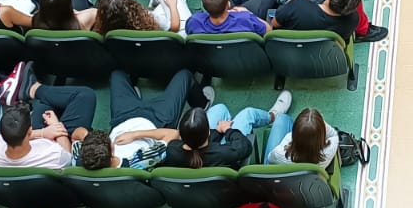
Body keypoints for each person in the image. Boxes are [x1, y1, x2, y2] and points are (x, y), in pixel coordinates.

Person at [76, 70, 204, 171]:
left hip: (122, 117)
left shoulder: (84, 158)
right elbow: (173, 134)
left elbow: (77, 133)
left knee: (117, 75)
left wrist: (89, 139)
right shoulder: (138, 162)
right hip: (156, 120)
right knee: (184, 75)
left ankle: (132, 94)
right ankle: (203, 103)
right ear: (112, 151)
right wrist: (135, 134)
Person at [159, 93, 291, 170]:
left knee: (220, 109)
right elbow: (244, 146)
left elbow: (199, 147)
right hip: (226, 149)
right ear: (208, 133)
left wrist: (217, 131)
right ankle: (272, 116)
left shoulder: (172, 150)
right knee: (248, 113)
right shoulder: (223, 153)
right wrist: (227, 130)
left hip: (208, 149)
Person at [0, 103, 73, 169]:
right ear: (30, 130)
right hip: (55, 138)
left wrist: (42, 133)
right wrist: (56, 124)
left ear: (1, 132)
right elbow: (68, 155)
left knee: (42, 106)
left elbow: (12, 135)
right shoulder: (55, 155)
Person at [186, 0, 281, 36]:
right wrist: (248, 13)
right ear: (228, 4)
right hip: (241, 16)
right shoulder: (246, 18)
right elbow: (269, 30)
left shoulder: (194, 22)